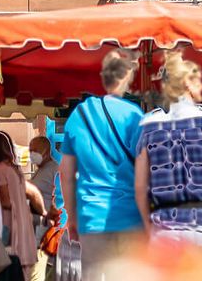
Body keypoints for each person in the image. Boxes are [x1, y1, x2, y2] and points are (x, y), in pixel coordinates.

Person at [132, 55, 202, 250]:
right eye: (198, 80)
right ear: (186, 83)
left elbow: (140, 187)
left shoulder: (149, 125)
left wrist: (149, 227)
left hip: (165, 230)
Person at [58, 50, 144, 281]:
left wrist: (72, 218)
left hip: (91, 215)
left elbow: (66, 173)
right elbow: (146, 173)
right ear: (127, 76)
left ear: (102, 76)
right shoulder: (135, 116)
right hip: (131, 217)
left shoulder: (80, 114)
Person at [0, 132, 44, 281]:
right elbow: (31, 193)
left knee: (5, 270)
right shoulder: (14, 169)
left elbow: (4, 201)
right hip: (22, 223)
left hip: (7, 226)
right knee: (19, 272)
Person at [24, 136, 60, 281]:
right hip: (35, 230)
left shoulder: (54, 170)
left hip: (44, 231)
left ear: (46, 151)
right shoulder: (42, 170)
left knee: (36, 273)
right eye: (30, 150)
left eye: (35, 150)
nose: (32, 154)